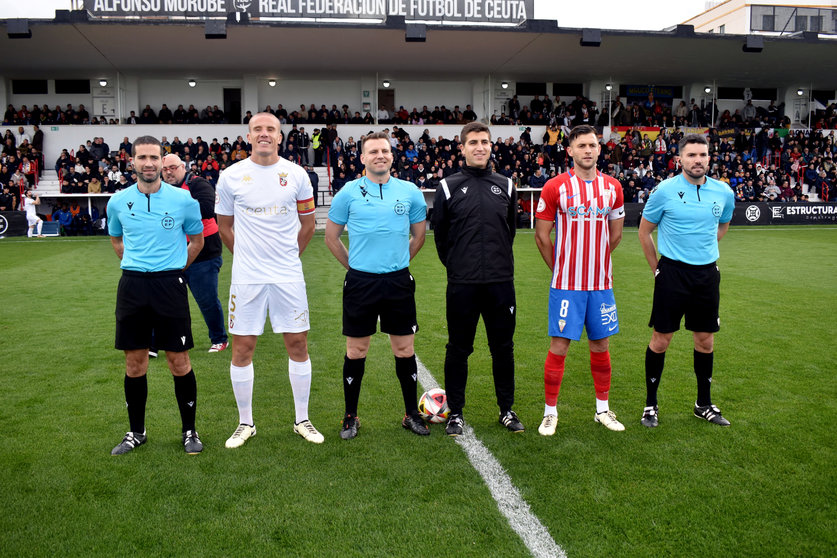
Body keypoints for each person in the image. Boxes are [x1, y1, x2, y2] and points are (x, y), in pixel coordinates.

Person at [215, 112, 324, 448]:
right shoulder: (231, 177)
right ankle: (245, 423)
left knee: (298, 344)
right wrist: (248, 257)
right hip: (247, 277)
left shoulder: (297, 175)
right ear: (249, 136)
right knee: (242, 348)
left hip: (287, 275)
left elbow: (308, 225)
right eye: (258, 129)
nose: (264, 134)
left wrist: (288, 258)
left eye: (270, 130)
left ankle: (302, 419)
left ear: (280, 137)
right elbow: (224, 227)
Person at [324, 131, 429, 440]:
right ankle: (350, 417)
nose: (380, 155)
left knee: (404, 348)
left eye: (385, 150)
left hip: (398, 282)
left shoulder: (409, 191)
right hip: (360, 283)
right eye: (373, 151)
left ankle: (411, 414)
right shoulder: (348, 192)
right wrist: (355, 267)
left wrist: (398, 263)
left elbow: (419, 235)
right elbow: (331, 237)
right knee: (356, 350)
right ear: (363, 157)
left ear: (392, 155)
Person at [106, 135, 205, 456]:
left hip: (169, 286)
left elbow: (197, 241)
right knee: (135, 363)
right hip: (133, 286)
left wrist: (175, 269)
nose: (148, 163)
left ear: (163, 161)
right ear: (131, 161)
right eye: (142, 158)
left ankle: (189, 430)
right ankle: (137, 432)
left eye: (154, 157)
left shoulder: (184, 200)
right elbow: (117, 241)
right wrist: (137, 266)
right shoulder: (117, 201)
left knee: (179, 360)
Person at [431, 122, 524, 436]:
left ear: (490, 145)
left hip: (500, 282)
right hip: (463, 284)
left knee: (503, 348)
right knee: (459, 348)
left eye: (485, 141)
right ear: (463, 148)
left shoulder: (506, 185)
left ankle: (506, 410)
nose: (480, 147)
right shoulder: (448, 186)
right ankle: (455, 413)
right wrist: (459, 266)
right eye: (473, 142)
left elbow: (508, 232)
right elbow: (440, 236)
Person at [533, 125, 626, 435]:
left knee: (601, 345)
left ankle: (602, 409)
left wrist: (596, 263)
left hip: (601, 285)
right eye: (582, 145)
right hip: (566, 286)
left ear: (599, 150)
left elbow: (615, 236)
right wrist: (560, 268)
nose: (588, 150)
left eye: (593, 145)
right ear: (569, 151)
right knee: (559, 346)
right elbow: (542, 236)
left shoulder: (613, 187)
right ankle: (549, 412)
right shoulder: (555, 186)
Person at [638, 133, 735, 428]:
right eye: (691, 155)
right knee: (661, 339)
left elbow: (722, 225)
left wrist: (704, 248)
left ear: (709, 158)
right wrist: (658, 270)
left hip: (707, 275)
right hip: (672, 274)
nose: (698, 160)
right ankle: (650, 405)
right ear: (679, 159)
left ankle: (703, 404)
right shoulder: (664, 191)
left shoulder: (723, 192)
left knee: (705, 340)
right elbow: (644, 232)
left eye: (703, 155)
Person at [162, 154, 229, 353]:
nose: (168, 172)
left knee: (206, 299)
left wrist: (174, 210)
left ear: (183, 167)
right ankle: (158, 341)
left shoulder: (198, 184)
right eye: (165, 169)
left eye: (172, 168)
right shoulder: (161, 189)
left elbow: (209, 210)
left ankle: (219, 338)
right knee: (165, 299)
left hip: (204, 253)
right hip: (173, 252)